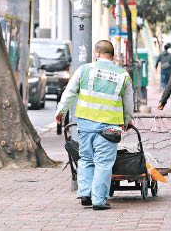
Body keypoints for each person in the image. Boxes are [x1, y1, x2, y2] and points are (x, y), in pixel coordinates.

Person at [55, 40, 134, 210]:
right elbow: (128, 101)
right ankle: (98, 200)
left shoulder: (84, 70)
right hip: (109, 127)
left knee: (86, 159)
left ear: (97, 54)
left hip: (86, 124)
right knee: (104, 163)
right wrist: (127, 120)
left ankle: (85, 193)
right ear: (112, 56)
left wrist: (61, 112)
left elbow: (69, 92)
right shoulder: (122, 75)